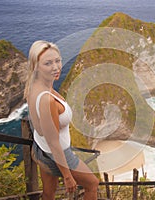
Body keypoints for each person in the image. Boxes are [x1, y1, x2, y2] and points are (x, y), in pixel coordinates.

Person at [24, 40, 99, 199]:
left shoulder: (34, 85)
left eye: (57, 61)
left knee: (48, 194)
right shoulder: (47, 100)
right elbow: (53, 142)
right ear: (36, 66)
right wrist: (67, 175)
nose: (56, 67)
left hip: (40, 149)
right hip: (57, 154)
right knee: (92, 184)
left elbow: (41, 129)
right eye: (48, 63)